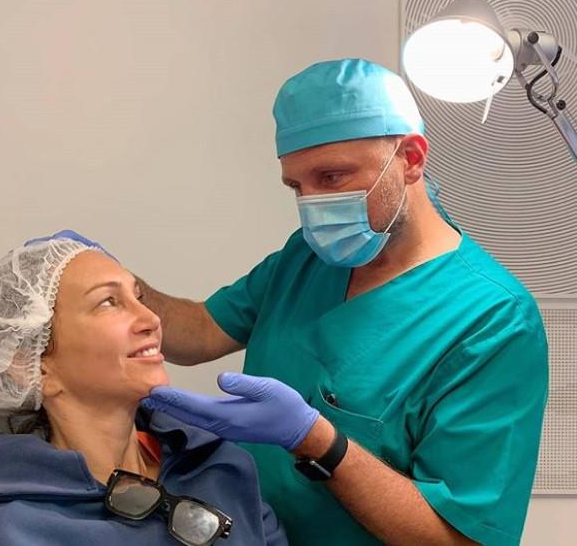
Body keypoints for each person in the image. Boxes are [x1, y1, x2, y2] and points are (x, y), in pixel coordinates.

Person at [52, 59, 548, 546]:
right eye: (296, 186)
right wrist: (117, 281)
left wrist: (317, 442)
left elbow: (461, 540)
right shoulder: (309, 257)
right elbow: (201, 330)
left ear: (411, 159)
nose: (311, 206)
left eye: (331, 178)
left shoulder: (493, 321)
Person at [0, 238, 287, 546]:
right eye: (108, 302)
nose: (151, 319)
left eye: (138, 298)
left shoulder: (222, 469)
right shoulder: (10, 531)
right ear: (31, 364)